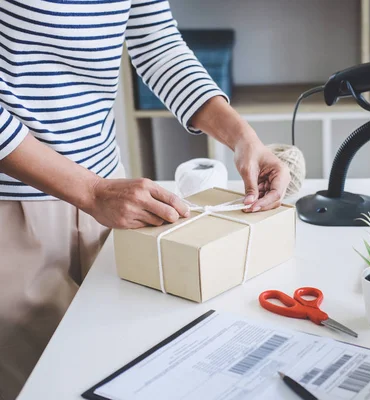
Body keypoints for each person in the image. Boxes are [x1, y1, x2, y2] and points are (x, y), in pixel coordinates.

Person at [0, 1, 290, 398]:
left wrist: (242, 138)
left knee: (121, 369)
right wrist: (90, 190)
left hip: (112, 198)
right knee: (41, 386)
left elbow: (156, 43)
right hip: (12, 209)